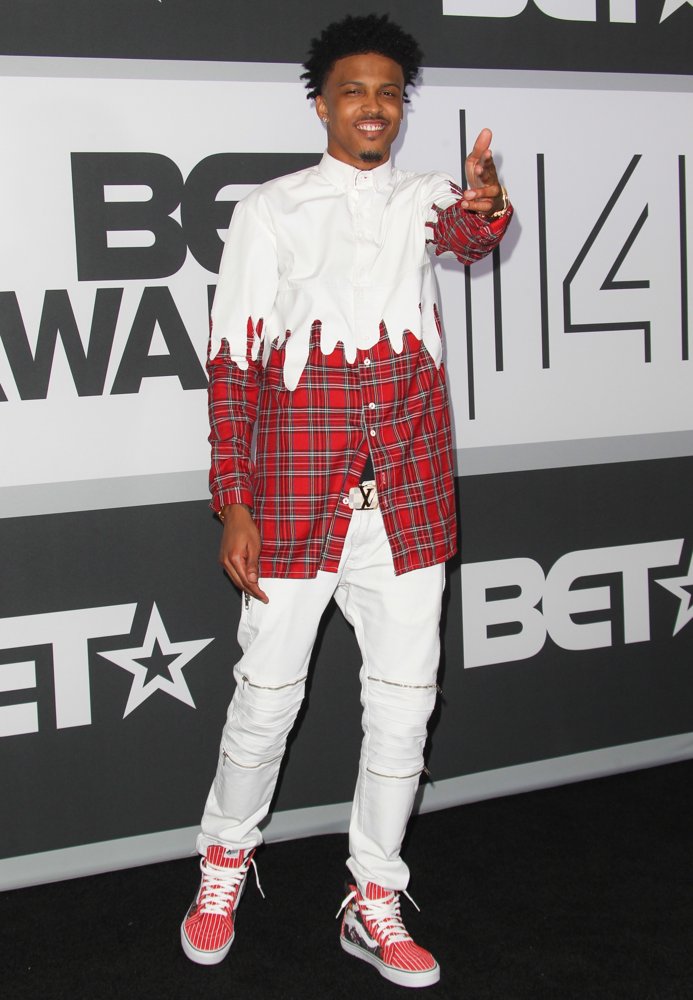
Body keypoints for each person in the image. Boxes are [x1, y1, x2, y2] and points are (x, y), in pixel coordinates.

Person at [181, 12, 512, 989]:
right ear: (321, 104)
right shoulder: (271, 210)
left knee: (404, 713)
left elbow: (470, 232)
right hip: (292, 503)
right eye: (354, 90)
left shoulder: (427, 197)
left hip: (408, 502)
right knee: (265, 701)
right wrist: (233, 500)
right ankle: (222, 863)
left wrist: (488, 202)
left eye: (390, 93)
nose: (374, 106)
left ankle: (373, 893)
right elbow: (234, 365)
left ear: (403, 107)